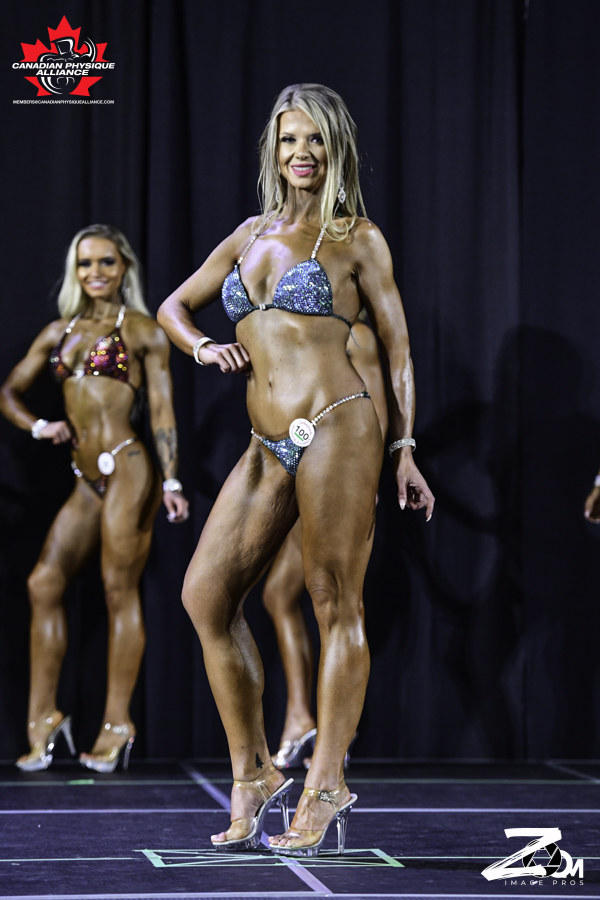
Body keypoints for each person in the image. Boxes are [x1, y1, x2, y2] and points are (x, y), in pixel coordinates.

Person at [157, 83, 434, 857]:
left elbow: (399, 350)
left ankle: (327, 781)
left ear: (335, 149)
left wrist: (404, 449)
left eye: (315, 140)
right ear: (272, 151)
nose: (301, 153)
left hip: (339, 424)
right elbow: (174, 306)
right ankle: (254, 772)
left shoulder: (357, 238)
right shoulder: (248, 235)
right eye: (288, 140)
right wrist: (202, 347)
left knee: (332, 600)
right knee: (205, 595)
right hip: (265, 441)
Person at [0, 224, 189, 774]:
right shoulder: (59, 331)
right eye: (85, 264)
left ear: (124, 267)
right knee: (43, 583)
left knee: (116, 589)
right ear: (74, 271)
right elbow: (9, 391)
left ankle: (117, 723)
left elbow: (162, 410)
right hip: (84, 476)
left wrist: (172, 481)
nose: (95, 273)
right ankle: (43, 719)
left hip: (129, 466)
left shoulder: (142, 331)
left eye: (106, 262)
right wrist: (39, 427)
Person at [265, 318, 388, 771]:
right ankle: (302, 717)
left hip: (338, 468)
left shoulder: (356, 333)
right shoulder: (294, 324)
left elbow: (374, 407)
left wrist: (368, 476)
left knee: (335, 601)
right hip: (297, 469)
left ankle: (330, 734)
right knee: (282, 595)